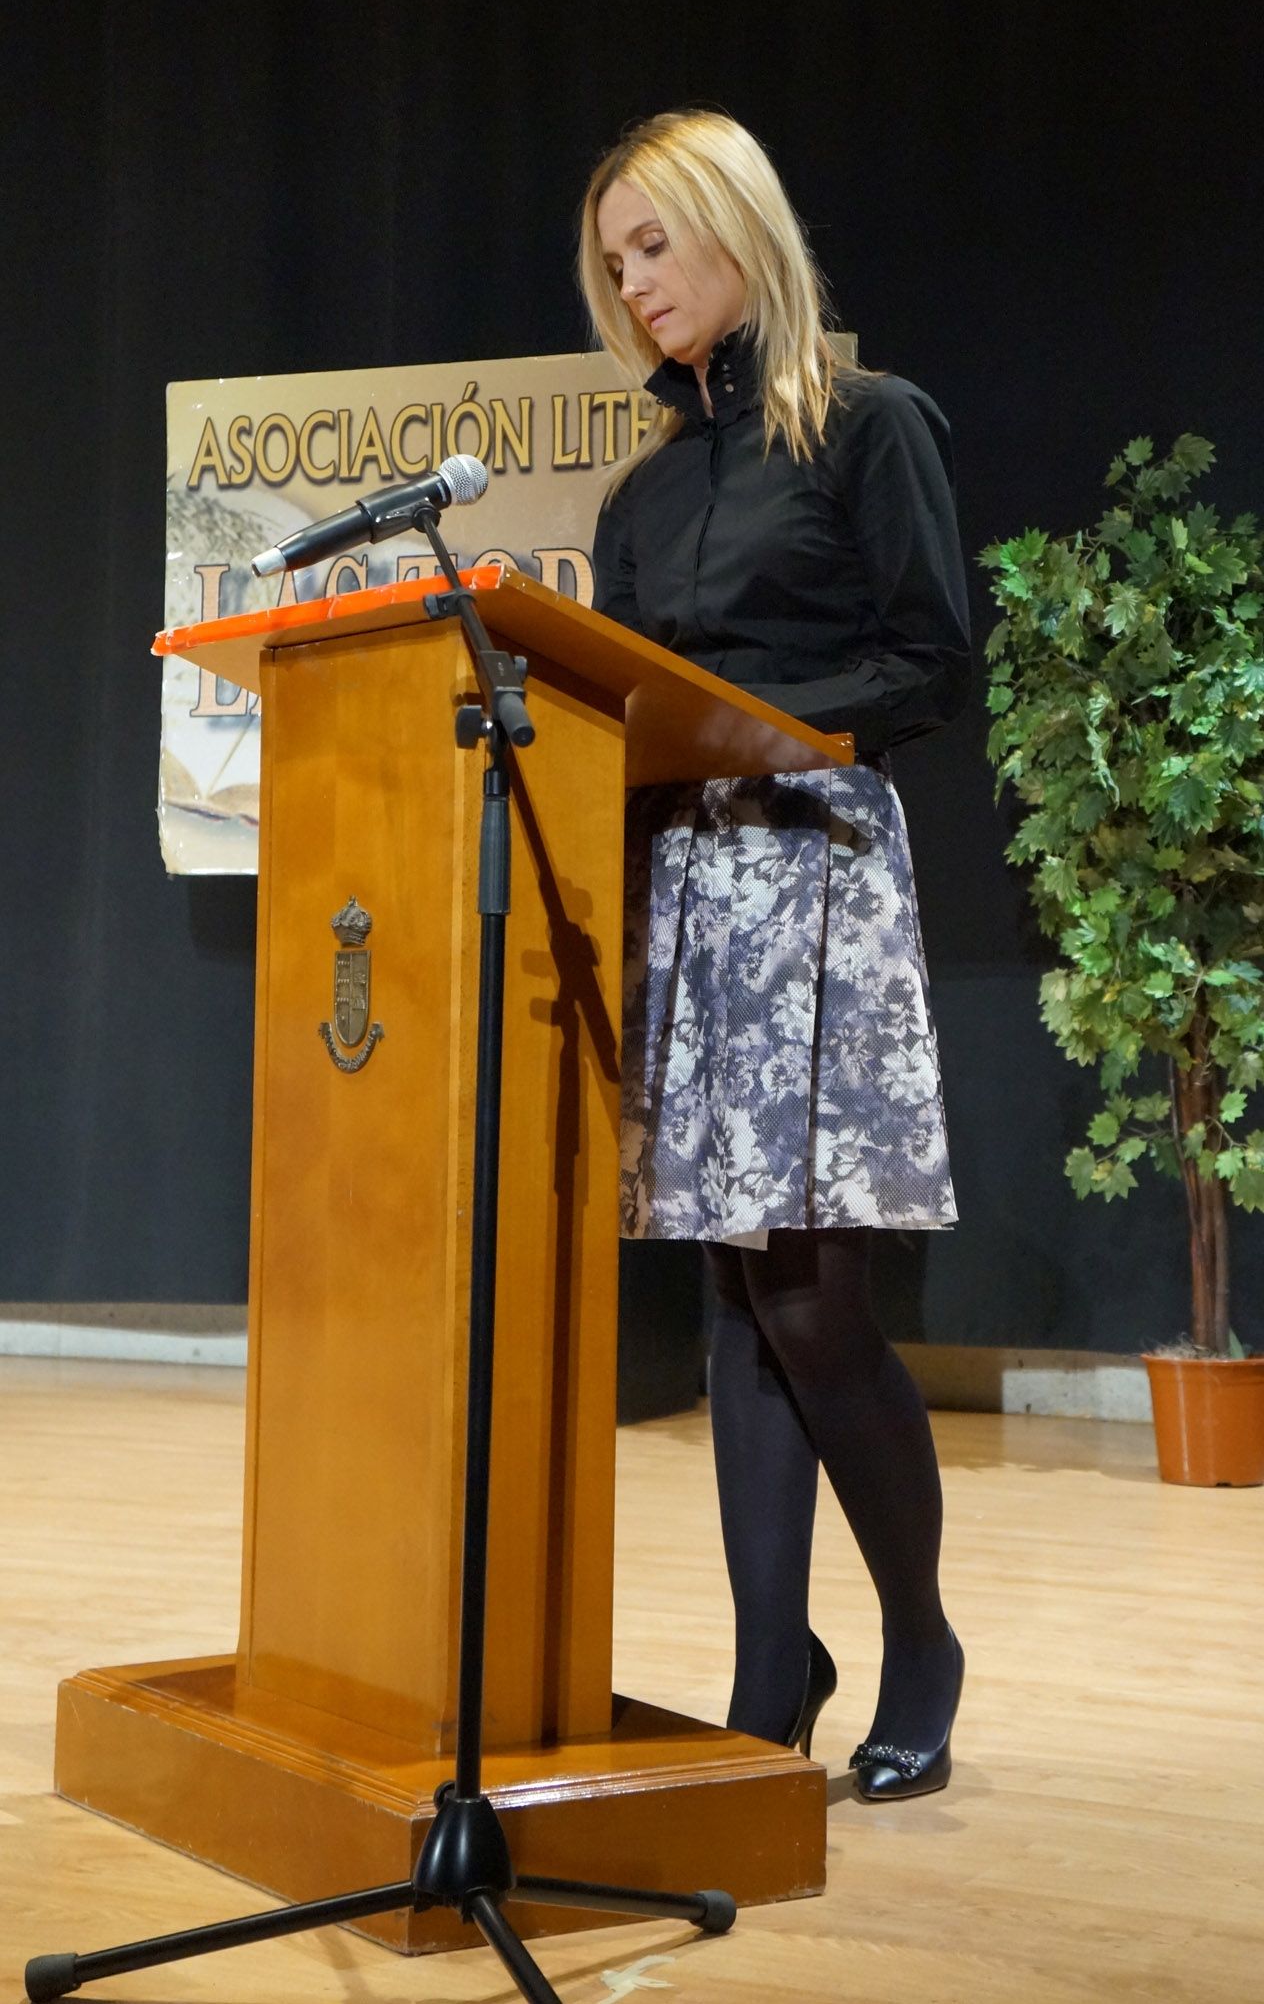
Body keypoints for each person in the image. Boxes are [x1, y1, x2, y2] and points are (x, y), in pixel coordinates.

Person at [577, 110, 972, 1801]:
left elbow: (931, 660)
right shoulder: (641, 493)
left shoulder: (870, 425)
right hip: (687, 888)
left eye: (653, 243)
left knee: (814, 1299)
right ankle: (764, 1665)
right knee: (737, 1290)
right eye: (612, 263)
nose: (635, 283)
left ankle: (920, 1637)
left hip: (813, 868)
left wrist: (775, 731)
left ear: (739, 227)